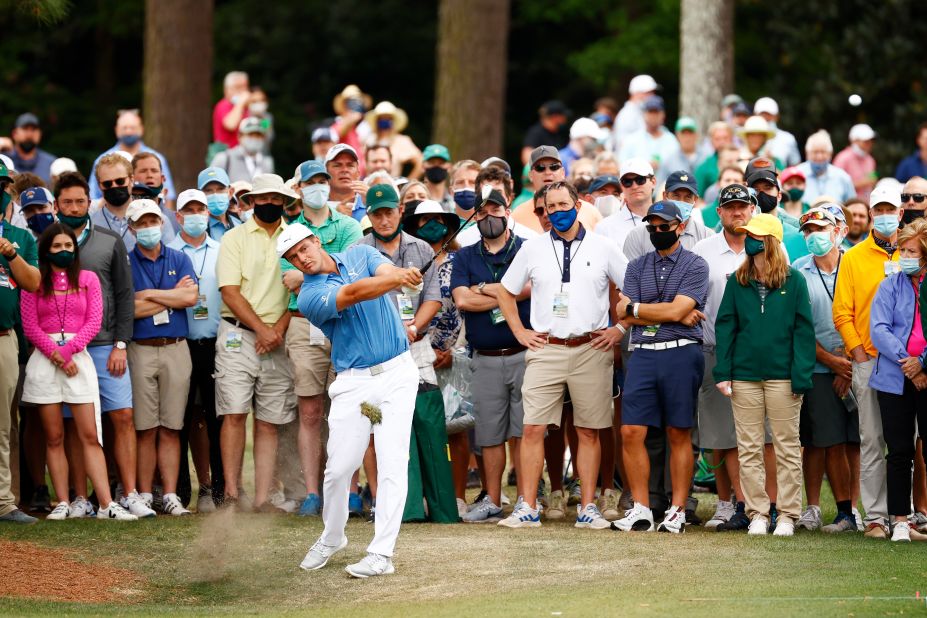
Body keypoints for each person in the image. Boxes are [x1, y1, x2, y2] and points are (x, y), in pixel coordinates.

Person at [282, 223, 420, 578]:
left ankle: (381, 553)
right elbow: (356, 293)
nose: (303, 258)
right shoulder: (309, 297)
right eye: (293, 257)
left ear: (316, 240)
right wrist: (398, 279)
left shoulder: (360, 252)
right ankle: (333, 536)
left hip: (398, 374)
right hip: (354, 384)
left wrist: (398, 275)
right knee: (340, 468)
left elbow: (384, 271)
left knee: (392, 462)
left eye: (304, 248)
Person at [495, 181, 627, 529]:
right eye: (550, 207)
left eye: (562, 204)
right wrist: (520, 332)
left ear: (578, 204)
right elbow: (505, 293)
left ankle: (587, 507)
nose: (557, 212)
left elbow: (633, 289)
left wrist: (620, 329)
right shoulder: (532, 248)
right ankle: (527, 506)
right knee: (533, 427)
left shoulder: (604, 247)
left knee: (588, 431)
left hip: (590, 348)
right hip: (546, 348)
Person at [52, 172, 154, 518]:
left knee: (122, 416)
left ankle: (130, 493)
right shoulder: (48, 241)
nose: (75, 207)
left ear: (88, 201)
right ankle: (81, 497)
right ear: (57, 204)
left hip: (107, 344)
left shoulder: (109, 240)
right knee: (74, 424)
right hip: (65, 351)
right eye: (67, 201)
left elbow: (125, 296)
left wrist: (121, 344)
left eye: (81, 201)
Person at [20, 223, 137, 521]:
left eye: (68, 246)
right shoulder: (34, 281)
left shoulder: (88, 279)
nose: (63, 251)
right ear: (46, 250)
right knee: (54, 436)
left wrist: (68, 352)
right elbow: (30, 326)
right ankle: (63, 501)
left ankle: (107, 505)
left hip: (78, 359)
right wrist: (57, 355)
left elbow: (94, 321)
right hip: (45, 362)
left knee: (90, 434)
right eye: (57, 247)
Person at [357, 185, 456, 522]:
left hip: (416, 344)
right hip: (376, 350)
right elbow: (357, 298)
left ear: (400, 211)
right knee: (381, 424)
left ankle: (441, 507)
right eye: (377, 213)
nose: (384, 219)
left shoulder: (420, 247)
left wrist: (413, 327)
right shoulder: (359, 251)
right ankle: (398, 507)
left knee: (428, 422)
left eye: (389, 211)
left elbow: (433, 298)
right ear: (368, 216)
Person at [714, 213, 816, 536]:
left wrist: (801, 376)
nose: (749, 239)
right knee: (749, 446)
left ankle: (787, 514)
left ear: (770, 241)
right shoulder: (737, 281)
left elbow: (803, 332)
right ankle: (757, 512)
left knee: (786, 446)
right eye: (747, 235)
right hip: (744, 376)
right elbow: (726, 326)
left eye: (755, 235)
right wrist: (723, 372)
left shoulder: (794, 281)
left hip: (783, 377)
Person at [612, 201, 709, 533]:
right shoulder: (637, 266)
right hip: (643, 351)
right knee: (631, 431)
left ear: (680, 227)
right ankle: (641, 508)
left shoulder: (696, 265)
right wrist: (667, 310)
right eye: (651, 227)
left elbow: (668, 311)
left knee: (678, 431)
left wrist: (643, 308)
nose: (657, 232)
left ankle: (677, 510)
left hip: (681, 352)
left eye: (663, 226)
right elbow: (622, 312)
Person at [279, 160, 362, 517]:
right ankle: (313, 492)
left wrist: (314, 276)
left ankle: (352, 490)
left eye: (322, 180)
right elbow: (290, 280)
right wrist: (325, 271)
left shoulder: (349, 224)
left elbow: (352, 271)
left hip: (346, 323)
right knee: (310, 412)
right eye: (310, 181)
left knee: (350, 410)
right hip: (303, 324)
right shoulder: (290, 231)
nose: (318, 186)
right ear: (298, 188)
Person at [215, 174, 297, 511]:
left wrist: (275, 329)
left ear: (284, 201)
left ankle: (263, 498)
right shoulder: (234, 238)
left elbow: (300, 289)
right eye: (263, 198)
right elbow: (229, 291)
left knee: (268, 421)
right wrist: (262, 330)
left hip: (278, 335)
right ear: (251, 201)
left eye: (277, 198)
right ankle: (233, 494)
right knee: (234, 413)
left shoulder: (293, 238)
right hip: (238, 334)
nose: (270, 204)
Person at [452, 190, 531, 522]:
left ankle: (527, 501)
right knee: (489, 433)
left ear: (507, 210)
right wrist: (502, 291)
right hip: (483, 356)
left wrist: (482, 288)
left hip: (523, 353)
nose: (488, 216)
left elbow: (528, 289)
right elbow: (462, 301)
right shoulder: (465, 255)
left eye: (494, 209)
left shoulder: (527, 248)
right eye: (481, 212)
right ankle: (493, 500)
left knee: (525, 431)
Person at [832, 184, 902, 538]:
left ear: (901, 213)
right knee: (872, 439)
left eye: (892, 209)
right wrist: (858, 354)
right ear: (872, 213)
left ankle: (906, 516)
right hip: (870, 361)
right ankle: (876, 517)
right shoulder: (854, 257)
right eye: (881, 209)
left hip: (909, 364)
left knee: (907, 443)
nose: (886, 215)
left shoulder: (914, 251)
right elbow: (842, 312)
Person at [692, 184, 758, 531]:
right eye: (730, 206)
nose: (737, 212)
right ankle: (724, 502)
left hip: (756, 353)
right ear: (719, 212)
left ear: (752, 210)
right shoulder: (703, 250)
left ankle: (752, 502)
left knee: (752, 434)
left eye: (742, 206)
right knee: (719, 433)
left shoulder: (764, 247)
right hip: (713, 349)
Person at [126, 200, 197, 516]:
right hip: (140, 348)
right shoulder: (125, 263)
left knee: (171, 426)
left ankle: (169, 494)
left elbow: (190, 297)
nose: (148, 227)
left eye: (153, 220)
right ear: (131, 228)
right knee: (145, 427)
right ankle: (143, 493)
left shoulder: (180, 259)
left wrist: (149, 296)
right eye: (141, 223)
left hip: (176, 348)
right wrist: (171, 297)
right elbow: (129, 309)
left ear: (162, 222)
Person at [792, 207, 860, 533]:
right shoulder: (797, 271)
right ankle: (817, 508)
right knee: (820, 440)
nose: (814, 235)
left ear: (837, 231)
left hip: (858, 362)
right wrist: (832, 363)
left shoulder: (855, 264)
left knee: (855, 442)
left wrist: (845, 364)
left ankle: (854, 510)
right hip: (817, 367)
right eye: (808, 231)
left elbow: (866, 313)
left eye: (820, 228)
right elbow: (797, 328)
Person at [403, 199, 468, 511]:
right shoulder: (406, 264)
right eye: (423, 219)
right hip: (415, 353)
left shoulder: (462, 261)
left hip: (454, 352)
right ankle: (424, 499)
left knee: (455, 428)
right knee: (420, 427)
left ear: (449, 225)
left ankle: (454, 496)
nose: (431, 225)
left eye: (437, 219)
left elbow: (467, 310)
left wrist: (454, 351)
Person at [868, 218, 927, 542]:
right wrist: (909, 364)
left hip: (925, 374)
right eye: (902, 249)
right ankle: (900, 520)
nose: (904, 255)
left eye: (911, 251)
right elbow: (879, 329)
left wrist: (923, 365)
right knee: (900, 450)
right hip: (894, 378)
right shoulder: (889, 285)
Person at [167, 190, 225, 512]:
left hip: (214, 344)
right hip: (180, 344)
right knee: (181, 418)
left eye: (200, 209)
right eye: (188, 210)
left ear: (207, 213)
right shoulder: (170, 252)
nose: (195, 214)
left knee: (216, 420)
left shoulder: (221, 249)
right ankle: (179, 491)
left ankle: (217, 490)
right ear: (178, 217)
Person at [0, 177, 40, 524]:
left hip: (4, 337)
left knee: (2, 424)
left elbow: (33, 283)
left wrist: (9, 252)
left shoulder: (22, 238)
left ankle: (3, 501)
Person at [88, 110, 175, 204]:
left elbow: (168, 196)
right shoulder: (102, 160)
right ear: (116, 130)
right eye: (124, 128)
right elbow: (92, 197)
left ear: (141, 129)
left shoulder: (157, 158)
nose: (128, 132)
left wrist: (166, 217)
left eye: (132, 128)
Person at [621, 171, 712, 260]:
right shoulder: (638, 236)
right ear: (665, 196)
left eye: (687, 197)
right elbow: (630, 273)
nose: (681, 201)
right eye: (676, 196)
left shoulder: (706, 236)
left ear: (695, 200)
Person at [511, 147, 601, 234]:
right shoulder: (517, 215)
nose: (548, 172)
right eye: (540, 168)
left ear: (563, 172)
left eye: (554, 167)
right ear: (530, 175)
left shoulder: (590, 211)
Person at [594, 159, 657, 251]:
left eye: (640, 180)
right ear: (621, 186)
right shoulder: (605, 227)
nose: (634, 186)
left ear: (653, 182)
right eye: (627, 182)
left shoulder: (669, 221)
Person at [89, 153, 139, 251]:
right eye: (107, 184)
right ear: (99, 186)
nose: (114, 186)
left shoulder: (153, 218)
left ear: (131, 179)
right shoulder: (90, 225)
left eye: (120, 181)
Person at [619, 96, 679, 175]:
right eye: (650, 112)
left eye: (656, 112)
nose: (653, 116)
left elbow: (678, 169)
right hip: (637, 186)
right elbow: (621, 167)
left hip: (666, 186)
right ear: (644, 114)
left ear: (663, 115)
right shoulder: (631, 140)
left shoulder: (672, 140)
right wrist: (643, 167)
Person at [365, 101, 422, 179]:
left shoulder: (402, 141)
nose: (384, 121)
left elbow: (421, 162)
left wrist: (408, 184)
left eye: (388, 118)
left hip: (392, 187)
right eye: (381, 118)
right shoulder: (369, 140)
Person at [796, 131, 855, 204]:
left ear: (830, 154)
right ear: (807, 153)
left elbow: (852, 206)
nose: (819, 156)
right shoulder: (796, 174)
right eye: (815, 152)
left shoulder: (842, 177)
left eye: (823, 152)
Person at [209, 117, 275, 183]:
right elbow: (210, 188)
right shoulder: (225, 159)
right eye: (250, 135)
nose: (254, 139)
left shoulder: (267, 163)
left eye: (258, 135)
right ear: (240, 136)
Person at [612, 75, 659, 155]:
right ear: (636, 93)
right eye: (648, 93)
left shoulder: (639, 112)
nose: (652, 96)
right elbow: (623, 146)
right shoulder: (627, 115)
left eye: (652, 92)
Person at [331, 84, 373, 177]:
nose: (356, 104)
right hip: (345, 177)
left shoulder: (359, 129)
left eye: (358, 102)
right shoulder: (338, 125)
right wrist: (353, 116)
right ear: (345, 105)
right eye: (352, 102)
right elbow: (337, 133)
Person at [6, 113, 55, 184]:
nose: (29, 134)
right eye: (25, 129)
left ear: (40, 134)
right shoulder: (4, 160)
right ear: (14, 133)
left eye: (34, 129)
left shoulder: (51, 163)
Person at [833, 124, 877, 203]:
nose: (869, 144)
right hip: (847, 205)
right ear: (854, 141)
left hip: (866, 205)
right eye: (866, 141)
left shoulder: (870, 160)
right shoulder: (842, 158)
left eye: (870, 141)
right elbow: (835, 184)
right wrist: (862, 183)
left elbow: (872, 179)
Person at [752, 97, 801, 167]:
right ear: (755, 116)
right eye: (762, 114)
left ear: (777, 116)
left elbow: (795, 166)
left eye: (769, 115)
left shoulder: (788, 138)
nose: (765, 118)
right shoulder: (746, 136)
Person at [197, 167, 242, 242]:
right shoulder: (197, 230)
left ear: (230, 192)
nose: (215, 195)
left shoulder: (239, 225)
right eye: (208, 190)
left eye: (220, 189)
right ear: (199, 195)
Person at [326, 144, 368, 222]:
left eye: (350, 165)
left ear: (358, 173)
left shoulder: (369, 202)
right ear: (326, 173)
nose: (344, 170)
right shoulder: (316, 206)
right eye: (337, 165)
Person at [656, 117, 701, 189]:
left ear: (696, 135)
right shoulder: (669, 161)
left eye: (690, 133)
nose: (687, 137)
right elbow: (659, 188)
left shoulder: (706, 157)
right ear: (677, 136)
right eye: (683, 133)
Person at [521, 100, 570, 164]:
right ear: (555, 116)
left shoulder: (562, 131)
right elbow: (527, 155)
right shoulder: (536, 132)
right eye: (563, 115)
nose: (565, 118)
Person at [213, 71, 253, 148]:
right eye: (238, 87)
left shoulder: (246, 108)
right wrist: (240, 103)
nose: (242, 91)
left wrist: (262, 115)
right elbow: (231, 125)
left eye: (245, 86)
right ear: (227, 89)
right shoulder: (223, 105)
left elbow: (265, 126)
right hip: (226, 155)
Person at [694, 122, 735, 196]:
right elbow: (697, 196)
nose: (722, 142)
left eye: (725, 138)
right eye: (717, 139)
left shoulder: (742, 159)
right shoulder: (705, 167)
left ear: (731, 138)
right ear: (711, 141)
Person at [421, 144, 453, 212]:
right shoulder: (416, 199)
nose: (436, 166)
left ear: (449, 167)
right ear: (423, 166)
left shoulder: (455, 202)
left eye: (441, 163)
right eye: (431, 162)